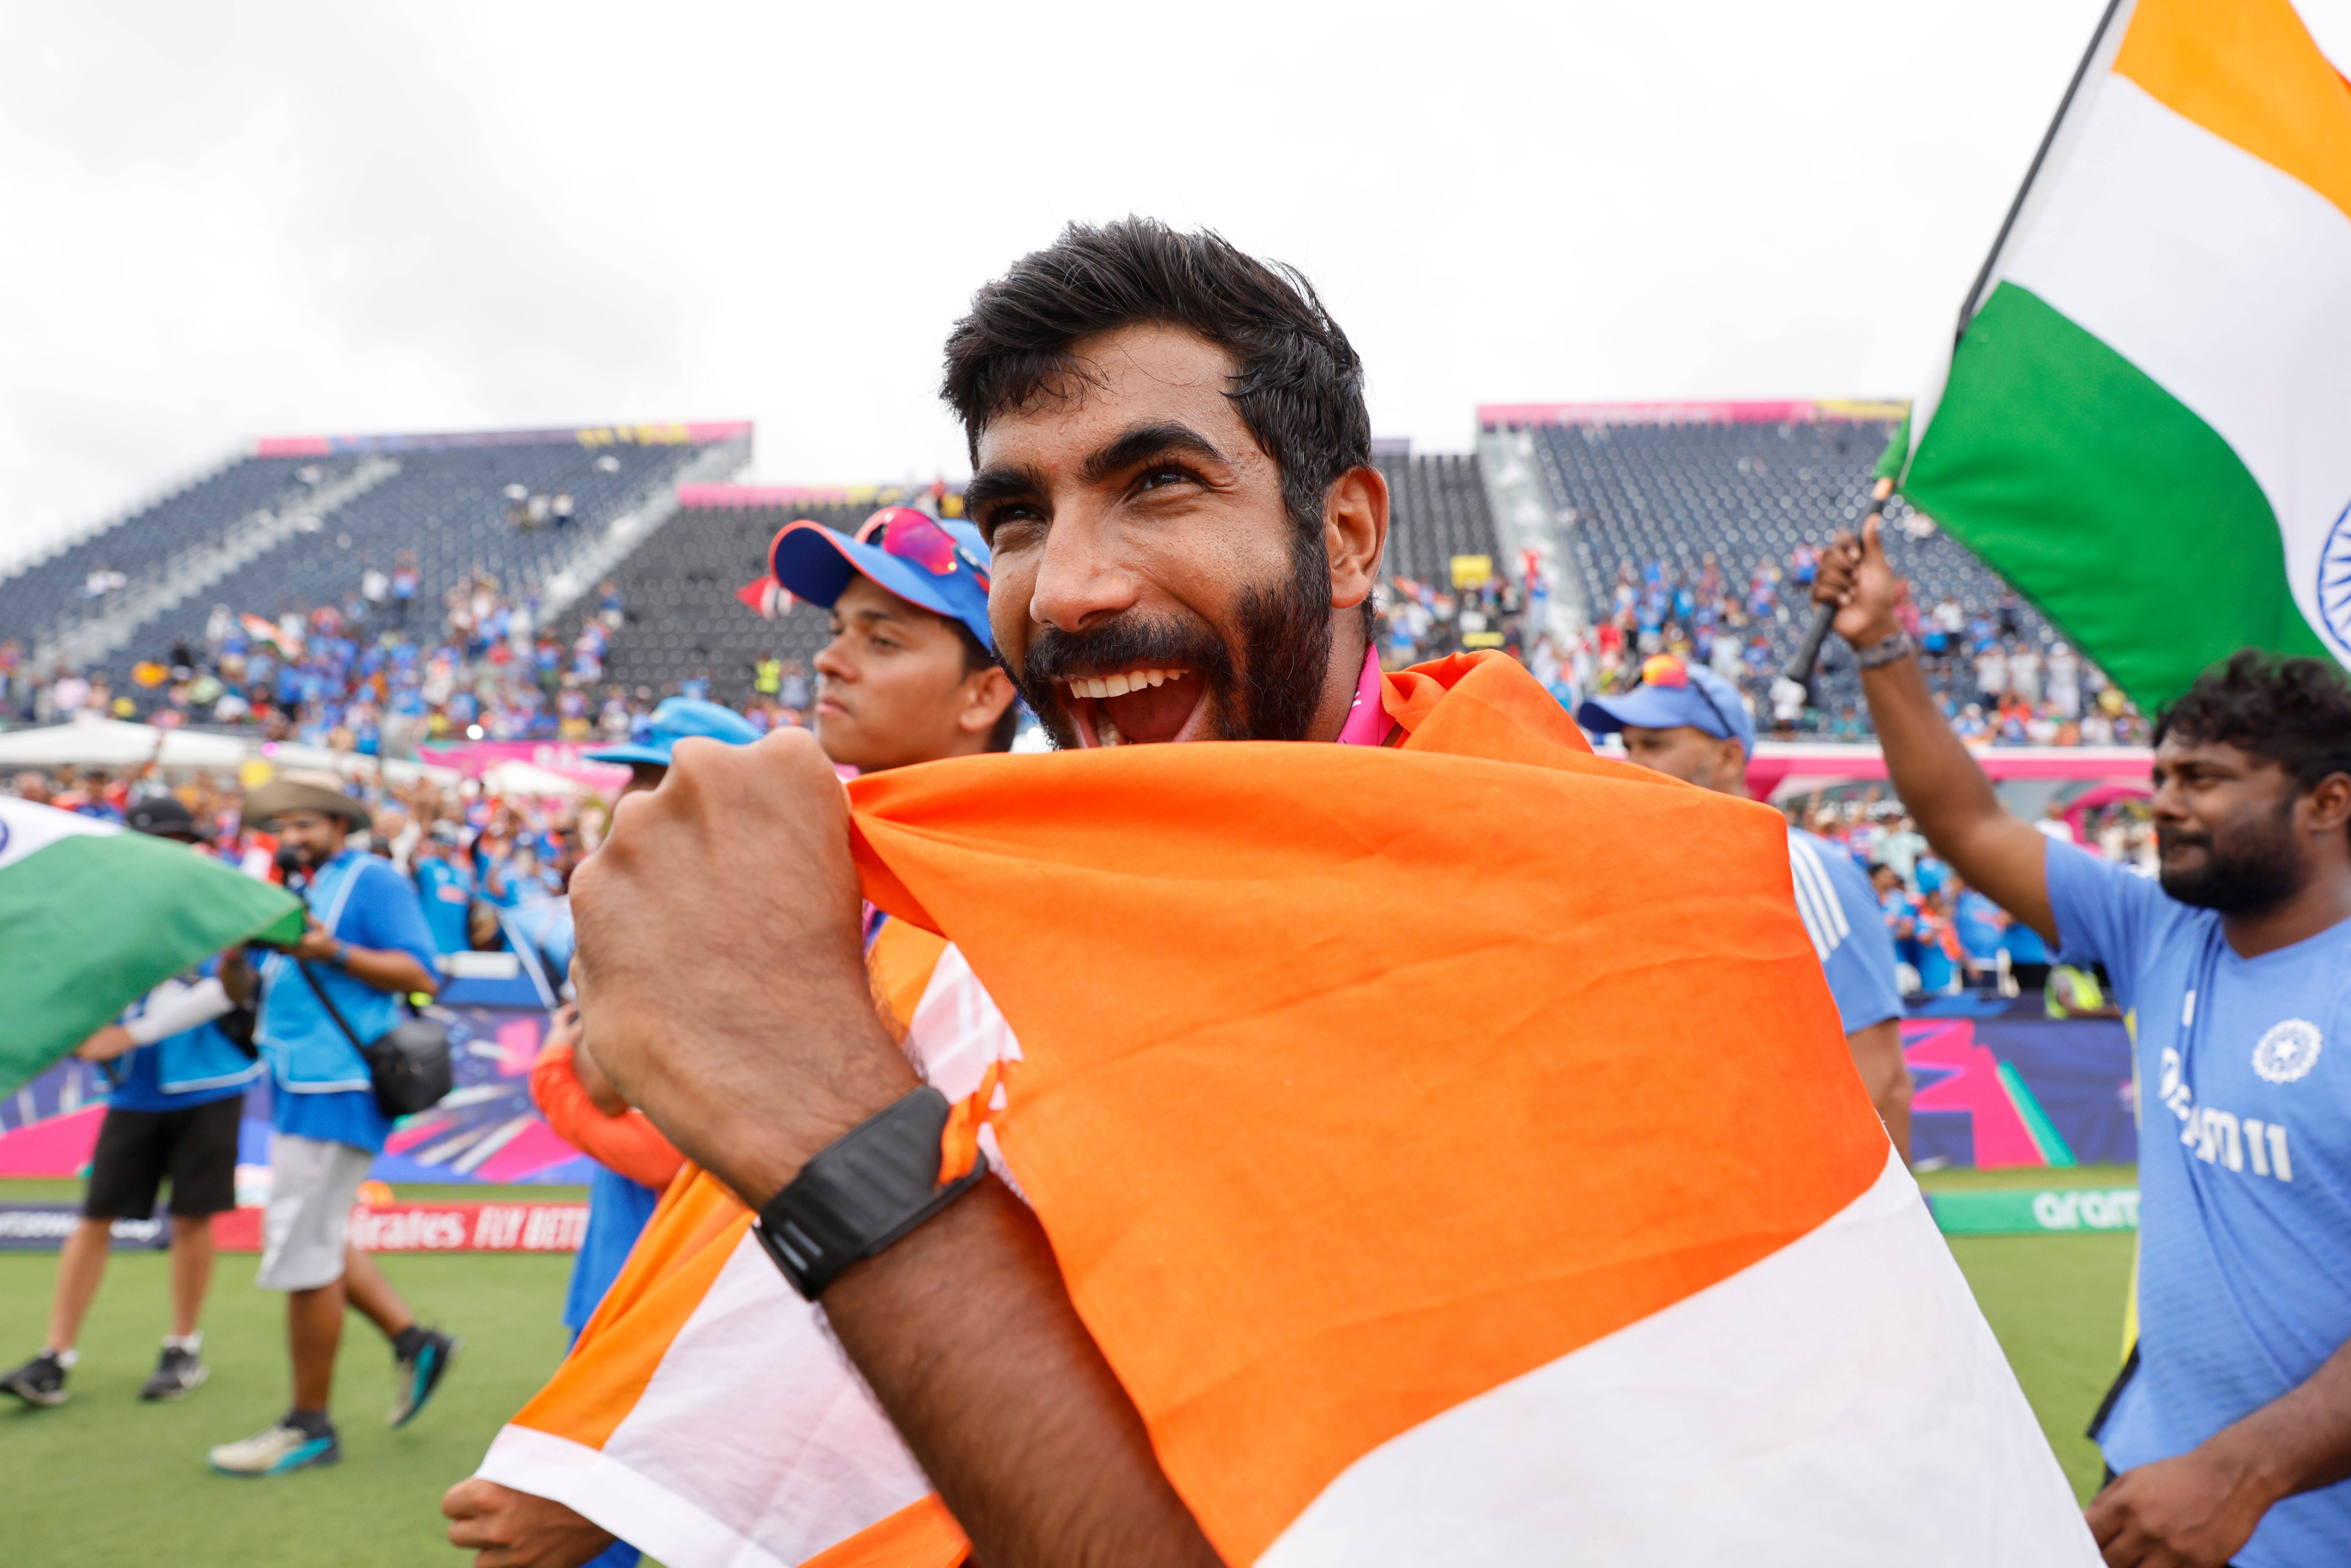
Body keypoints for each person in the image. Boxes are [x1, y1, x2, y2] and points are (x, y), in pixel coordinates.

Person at [519, 222, 2090, 1566]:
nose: (1067, 588)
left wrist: (833, 1147)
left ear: (1343, 534)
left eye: (1158, 483)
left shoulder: (1609, 896)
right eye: (1017, 516)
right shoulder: (977, 928)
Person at [445, 506, 1021, 1567]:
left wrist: (611, 1474)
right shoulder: (856, 872)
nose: (834, 658)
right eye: (840, 626)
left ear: (988, 691)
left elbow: (890, 1216)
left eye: (884, 637)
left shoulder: (994, 904)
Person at [1813, 516, 2351, 1567]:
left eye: (2202, 779)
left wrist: (2242, 1473)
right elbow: (1966, 821)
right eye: (2161, 775)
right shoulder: (2163, 930)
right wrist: (1881, 643)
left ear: (2328, 801)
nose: (2161, 803)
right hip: (2152, 1491)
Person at [211, 772, 459, 1477]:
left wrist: (333, 953)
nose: (292, 837)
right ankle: (415, 1341)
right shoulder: (291, 892)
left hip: (340, 1081)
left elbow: (423, 972)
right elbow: (246, 987)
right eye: (282, 827)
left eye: (305, 824)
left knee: (303, 1250)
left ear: (337, 825)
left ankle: (309, 1425)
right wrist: (234, 952)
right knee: (314, 1234)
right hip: (297, 1079)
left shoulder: (372, 880)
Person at [1577, 655, 1913, 1160]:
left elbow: (1878, 1076)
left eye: (1656, 744)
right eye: (1628, 745)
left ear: (1730, 758)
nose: (1632, 762)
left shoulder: (1795, 868)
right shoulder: (1642, 884)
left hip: (1804, 1211)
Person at [0, 799, 260, 1410]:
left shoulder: (211, 898)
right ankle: (55, 1355)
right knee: (96, 1217)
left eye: (177, 839)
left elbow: (229, 989)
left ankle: (182, 1345)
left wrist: (128, 1034)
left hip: (211, 1082)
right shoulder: (105, 906)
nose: (168, 850)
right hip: (136, 1088)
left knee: (193, 1216)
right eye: (156, 839)